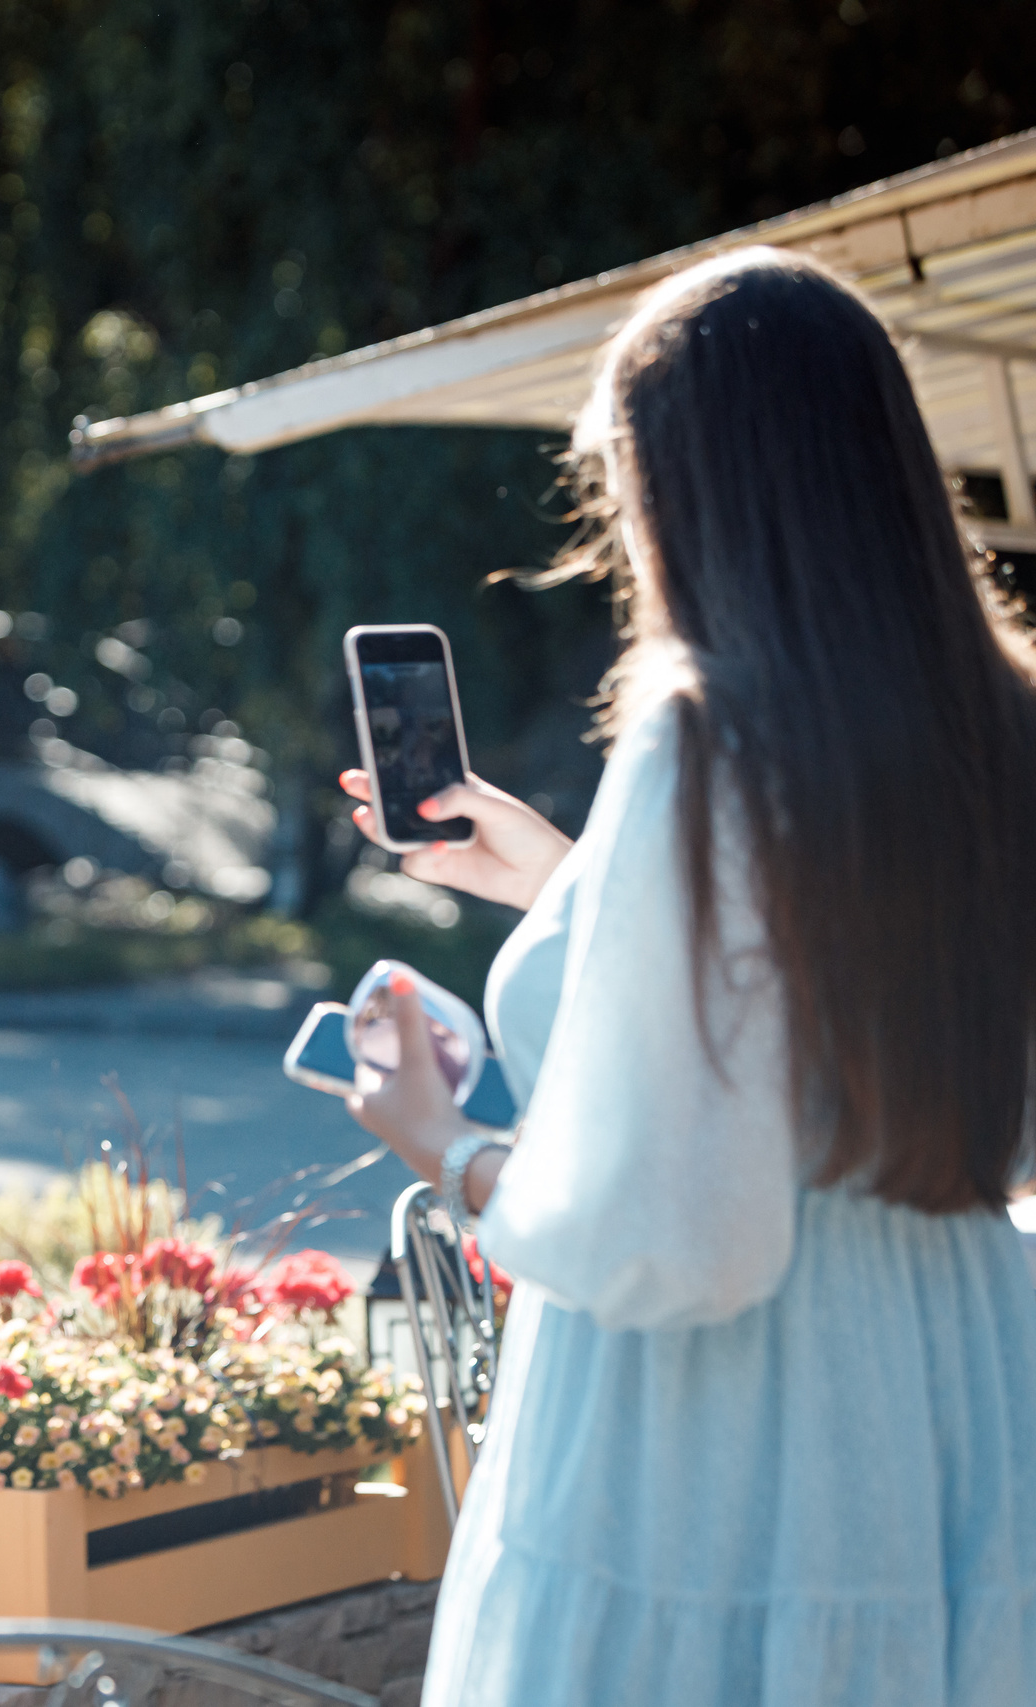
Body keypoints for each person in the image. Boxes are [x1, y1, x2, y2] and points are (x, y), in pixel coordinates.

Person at [341, 247, 1036, 1705]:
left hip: (724, 1443)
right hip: (959, 1393)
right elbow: (845, 981)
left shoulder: (704, 740)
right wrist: (573, 874)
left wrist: (452, 1154)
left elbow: (682, 1235)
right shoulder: (1002, 725)